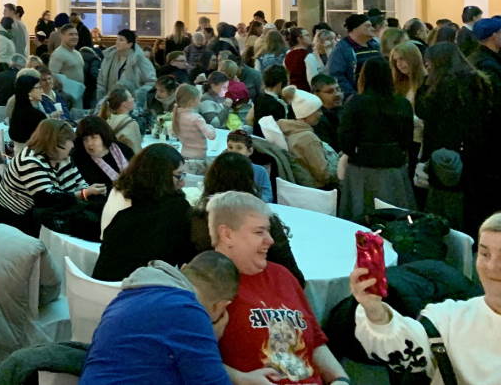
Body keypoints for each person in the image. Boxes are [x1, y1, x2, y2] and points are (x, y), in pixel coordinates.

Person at [210, 192, 349, 385]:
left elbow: (316, 341)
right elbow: (191, 359)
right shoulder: (210, 284)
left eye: (268, 231)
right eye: (259, 232)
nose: (271, 240)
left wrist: (340, 379)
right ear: (227, 235)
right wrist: (241, 379)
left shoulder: (282, 276)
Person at [351, 211, 501, 385]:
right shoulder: (448, 318)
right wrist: (375, 311)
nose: (491, 267)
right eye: (484, 254)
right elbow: (402, 350)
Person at [80, 251, 240, 385]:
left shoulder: (127, 295)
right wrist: (209, 337)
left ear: (183, 269)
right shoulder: (189, 312)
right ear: (220, 306)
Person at [417, 42, 501, 234]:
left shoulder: (440, 88)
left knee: (447, 210)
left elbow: (425, 113)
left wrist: (425, 84)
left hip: (446, 159)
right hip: (479, 158)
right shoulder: (480, 83)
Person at [190, 152, 305, 286]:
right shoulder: (264, 222)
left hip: (206, 290)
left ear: (209, 180)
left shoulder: (195, 219)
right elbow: (295, 278)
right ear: (250, 182)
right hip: (255, 290)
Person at [93, 142, 194, 280]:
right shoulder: (176, 210)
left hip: (101, 287)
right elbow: (187, 262)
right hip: (141, 289)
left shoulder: (123, 203)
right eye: (179, 176)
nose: (183, 183)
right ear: (161, 177)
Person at [0, 118, 103, 237]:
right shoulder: (29, 161)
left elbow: (79, 182)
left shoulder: (63, 156)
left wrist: (90, 194)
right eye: (69, 142)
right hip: (19, 217)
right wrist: (84, 193)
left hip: (47, 209)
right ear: (54, 145)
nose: (72, 146)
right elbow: (46, 199)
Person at [339, 55, 415, 221]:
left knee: (360, 216)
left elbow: (345, 139)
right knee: (397, 217)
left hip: (362, 168)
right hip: (393, 168)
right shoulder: (402, 104)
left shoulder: (355, 103)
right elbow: (407, 140)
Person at [278, 89, 338, 188]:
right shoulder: (307, 138)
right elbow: (324, 174)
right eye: (318, 110)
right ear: (307, 113)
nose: (321, 114)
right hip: (320, 190)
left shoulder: (290, 132)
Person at [70, 114, 134, 192]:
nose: (89, 143)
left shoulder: (123, 149)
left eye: (94, 137)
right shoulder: (81, 160)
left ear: (103, 136)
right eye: (85, 139)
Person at [327, 13, 381, 99]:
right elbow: (337, 75)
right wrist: (352, 96)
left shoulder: (375, 46)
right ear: (355, 28)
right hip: (358, 97)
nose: (372, 29)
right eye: (367, 26)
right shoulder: (342, 49)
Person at [98, 28, 156, 97]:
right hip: (110, 99)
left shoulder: (140, 59)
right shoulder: (109, 57)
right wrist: (101, 97)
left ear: (130, 44)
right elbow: (101, 81)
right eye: (117, 39)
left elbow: (151, 82)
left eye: (121, 40)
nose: (117, 42)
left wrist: (138, 94)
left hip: (132, 100)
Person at [173, 83, 216, 172]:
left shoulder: (176, 116)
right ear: (192, 102)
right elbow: (211, 136)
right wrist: (211, 127)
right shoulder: (196, 118)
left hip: (184, 155)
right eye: (198, 99)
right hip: (198, 158)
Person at [224, 130, 272, 202]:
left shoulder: (260, 171)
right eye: (230, 147)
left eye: (239, 148)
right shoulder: (222, 169)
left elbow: (268, 195)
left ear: (249, 151)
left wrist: (255, 200)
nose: (234, 151)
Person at [48, 24, 86, 107]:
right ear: (62, 36)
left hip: (79, 95)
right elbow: (52, 77)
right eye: (71, 34)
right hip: (66, 99)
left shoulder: (78, 53)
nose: (74, 37)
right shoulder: (58, 54)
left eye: (76, 34)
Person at [7, 68, 47, 145]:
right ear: (28, 91)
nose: (42, 91)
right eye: (38, 88)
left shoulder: (18, 109)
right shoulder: (37, 116)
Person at [249, 64, 290, 136]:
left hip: (259, 138)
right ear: (280, 84)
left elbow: (249, 118)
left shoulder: (259, 98)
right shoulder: (279, 104)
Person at [309, 73, 343, 151]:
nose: (337, 94)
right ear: (316, 94)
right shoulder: (317, 120)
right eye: (330, 92)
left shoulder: (344, 111)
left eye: (338, 89)